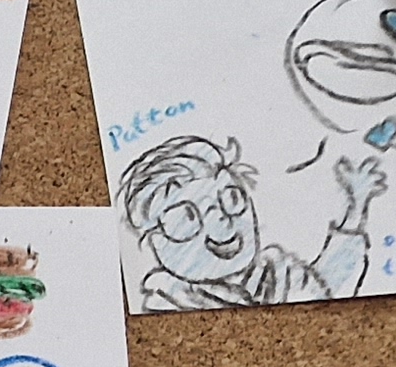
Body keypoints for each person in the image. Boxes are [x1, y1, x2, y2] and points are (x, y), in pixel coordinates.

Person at [116, 128, 382, 310]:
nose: (221, 222)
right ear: (154, 241)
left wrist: (356, 207)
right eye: (185, 220)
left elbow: (330, 290)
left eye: (231, 198)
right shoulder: (168, 306)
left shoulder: (282, 274)